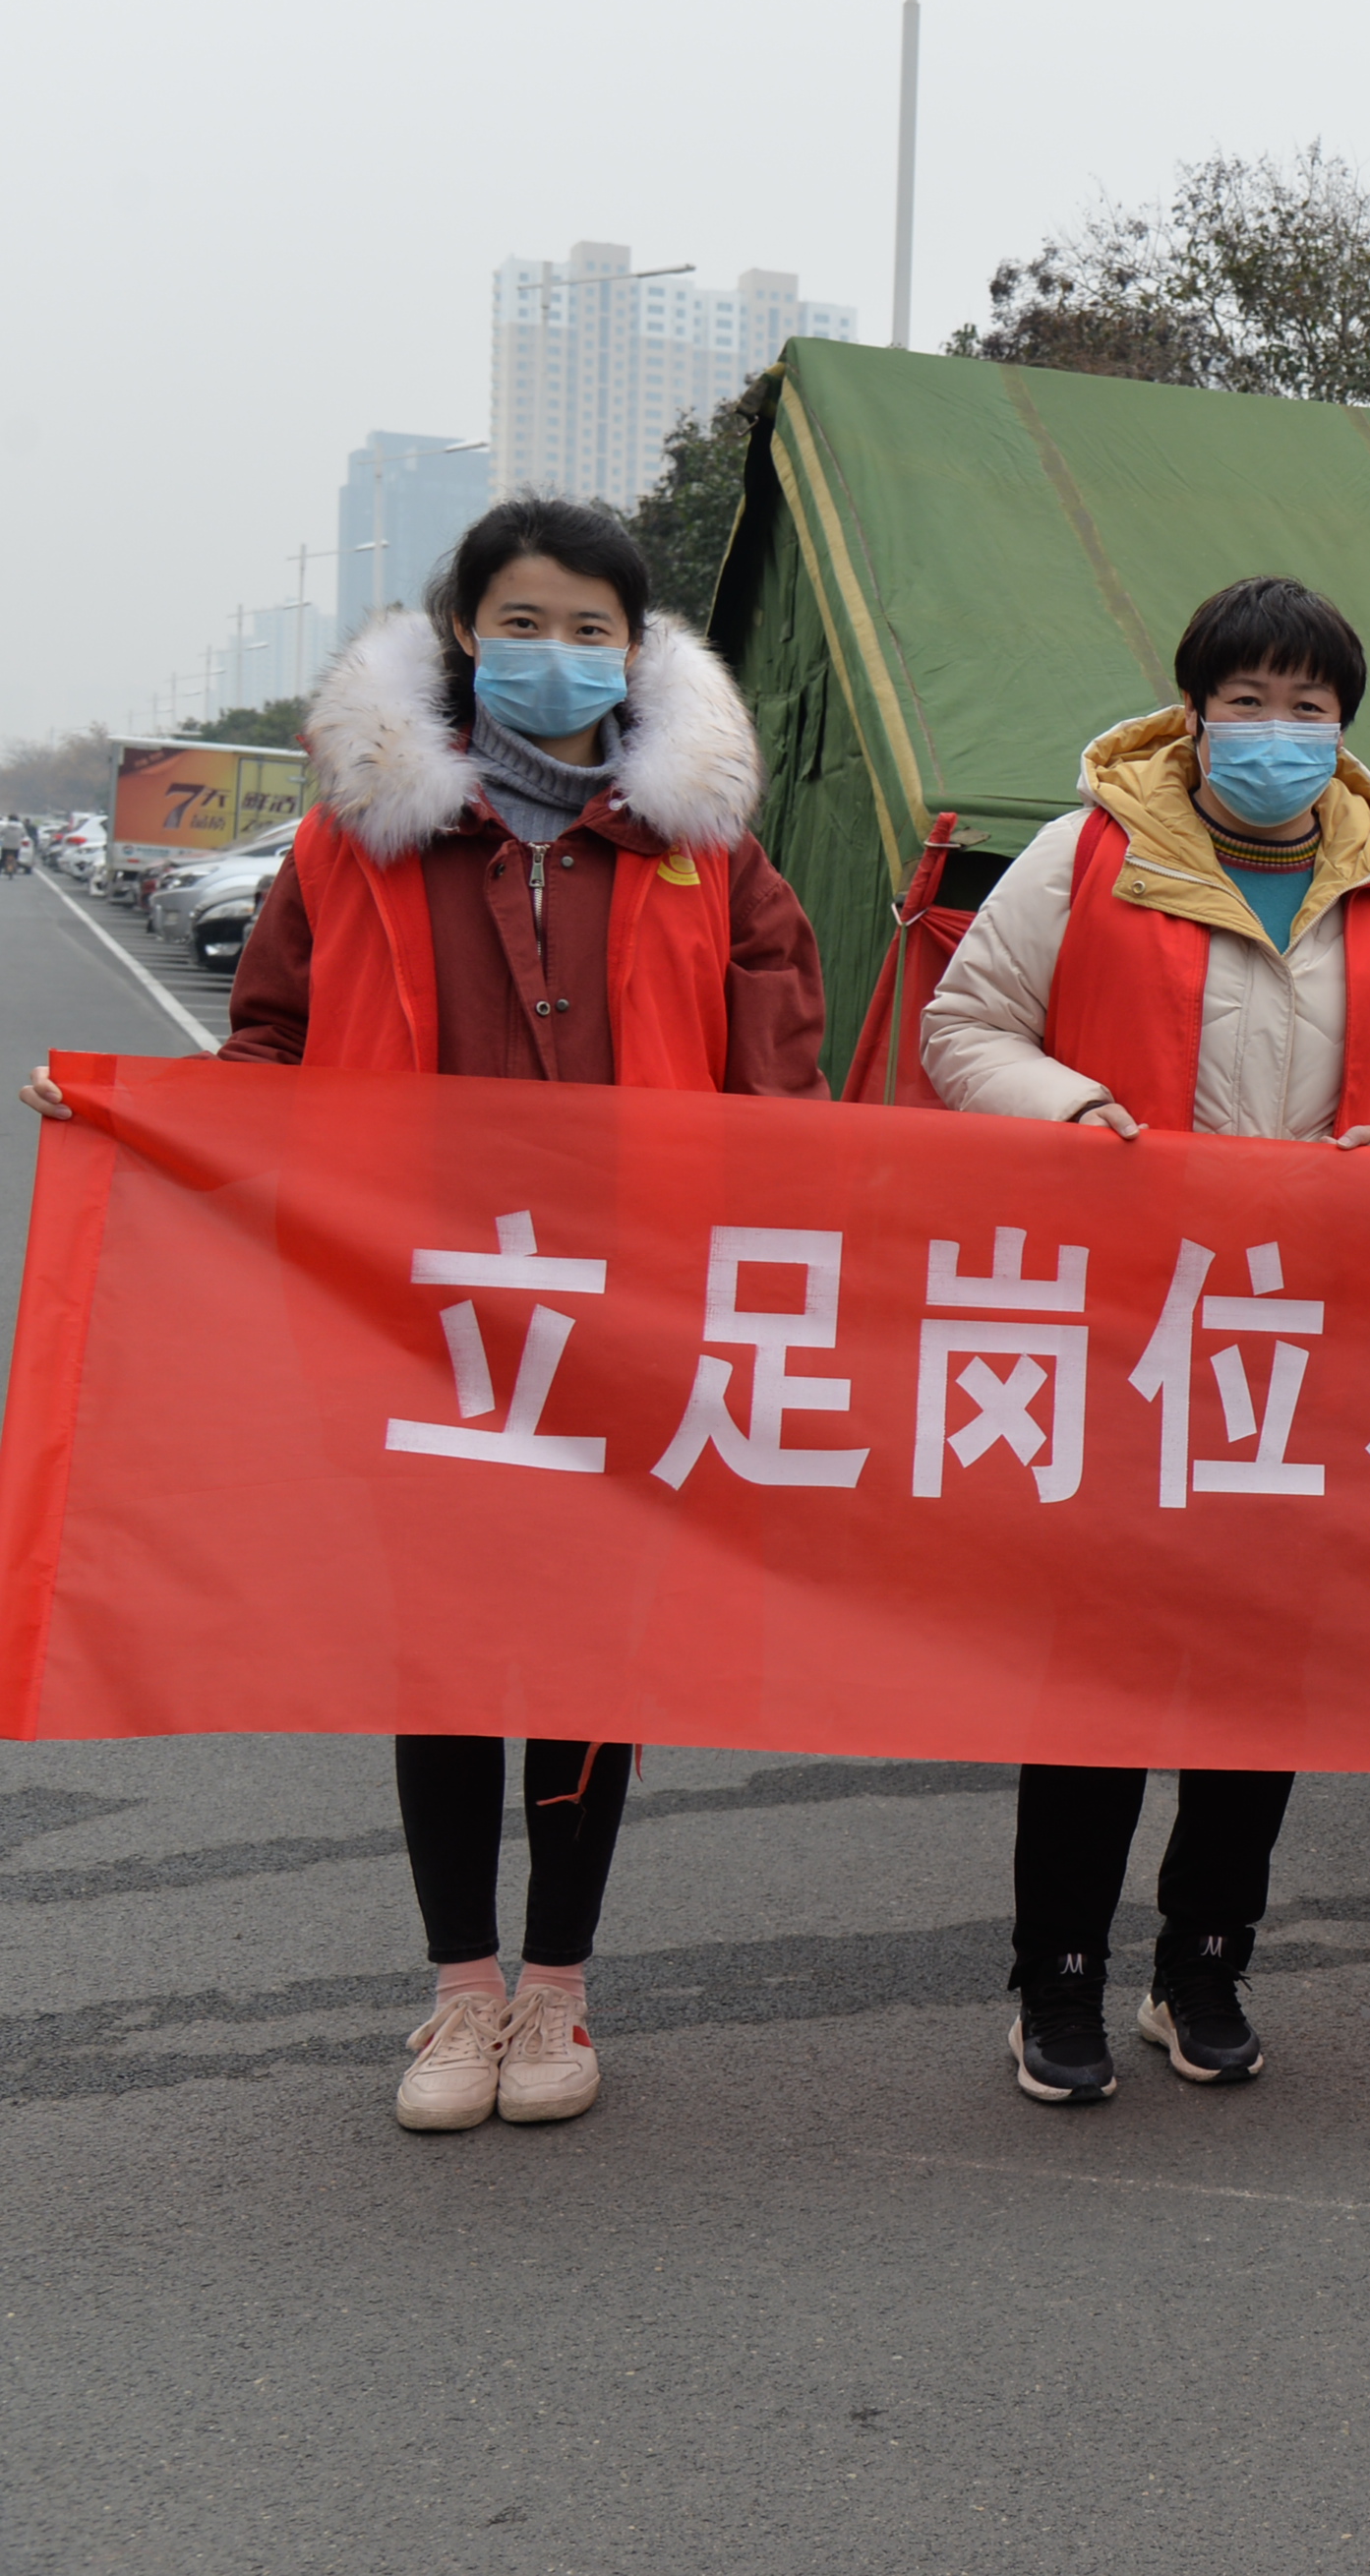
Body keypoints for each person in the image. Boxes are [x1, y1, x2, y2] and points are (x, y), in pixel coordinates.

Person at [25, 499, 827, 2132]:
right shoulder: (356, 834)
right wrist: (132, 1111)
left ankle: (561, 1989)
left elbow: (784, 1077)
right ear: (469, 632)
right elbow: (271, 1050)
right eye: (524, 621)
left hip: (626, 1320)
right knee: (443, 1648)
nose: (558, 653)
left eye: (592, 627)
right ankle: (460, 1991)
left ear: (635, 647)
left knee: (598, 1651)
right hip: (420, 1321)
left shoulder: (706, 848)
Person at [922, 575, 1370, 2106]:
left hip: (1306, 1350)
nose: (1277, 735)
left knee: (1258, 1677)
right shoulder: (1087, 859)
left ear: (1345, 731)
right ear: (1192, 714)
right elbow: (963, 1027)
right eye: (1246, 704)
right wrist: (1071, 1112)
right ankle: (1054, 1979)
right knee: (1101, 1676)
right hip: (1125, 1335)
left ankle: (1205, 1968)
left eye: (1309, 710)